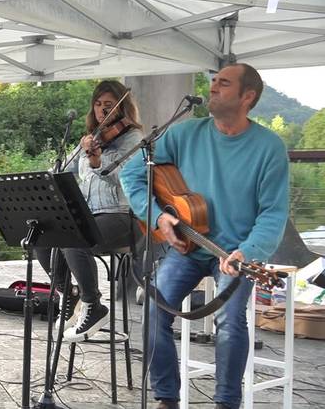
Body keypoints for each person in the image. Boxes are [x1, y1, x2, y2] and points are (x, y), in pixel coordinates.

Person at [119, 64, 289, 409]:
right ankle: (166, 398)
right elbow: (132, 173)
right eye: (212, 81)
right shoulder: (185, 134)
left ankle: (226, 403)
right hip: (187, 246)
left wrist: (249, 251)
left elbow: (273, 212)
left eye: (223, 83)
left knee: (229, 320)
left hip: (236, 255)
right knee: (153, 308)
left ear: (247, 97)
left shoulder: (269, 148)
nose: (213, 88)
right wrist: (158, 217)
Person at [36, 80, 143, 343]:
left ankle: (94, 306)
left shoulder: (134, 139)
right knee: (42, 238)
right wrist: (51, 175)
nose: (103, 110)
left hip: (124, 217)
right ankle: (69, 294)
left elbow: (126, 178)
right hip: (92, 216)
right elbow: (66, 172)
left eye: (109, 105)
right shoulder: (92, 140)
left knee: (74, 241)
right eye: (98, 104)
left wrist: (97, 160)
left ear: (122, 107)